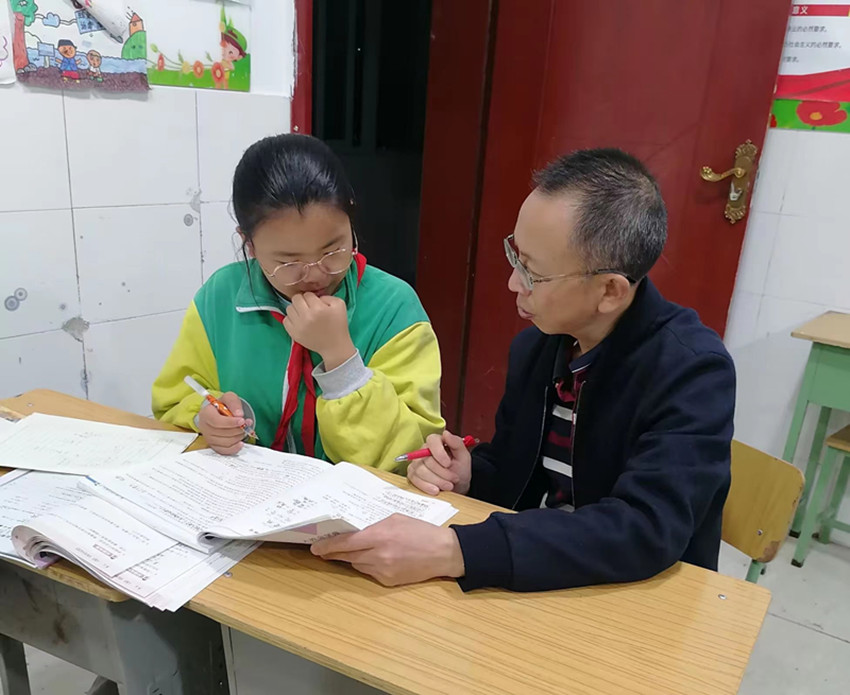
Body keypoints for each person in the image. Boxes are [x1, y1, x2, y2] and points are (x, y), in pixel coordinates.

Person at [311, 148, 736, 591]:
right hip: (544, 573)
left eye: (533, 273)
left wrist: (455, 550)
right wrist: (468, 474)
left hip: (636, 595)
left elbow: (644, 528)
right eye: (516, 257)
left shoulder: (692, 372)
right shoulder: (540, 347)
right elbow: (517, 470)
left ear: (610, 291)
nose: (514, 282)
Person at [152, 134, 444, 470]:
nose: (316, 274)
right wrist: (204, 416)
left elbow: (411, 456)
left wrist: (342, 362)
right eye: (289, 262)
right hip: (247, 490)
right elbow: (174, 400)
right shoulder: (220, 297)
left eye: (333, 250)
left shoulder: (394, 307)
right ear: (248, 244)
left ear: (350, 217)